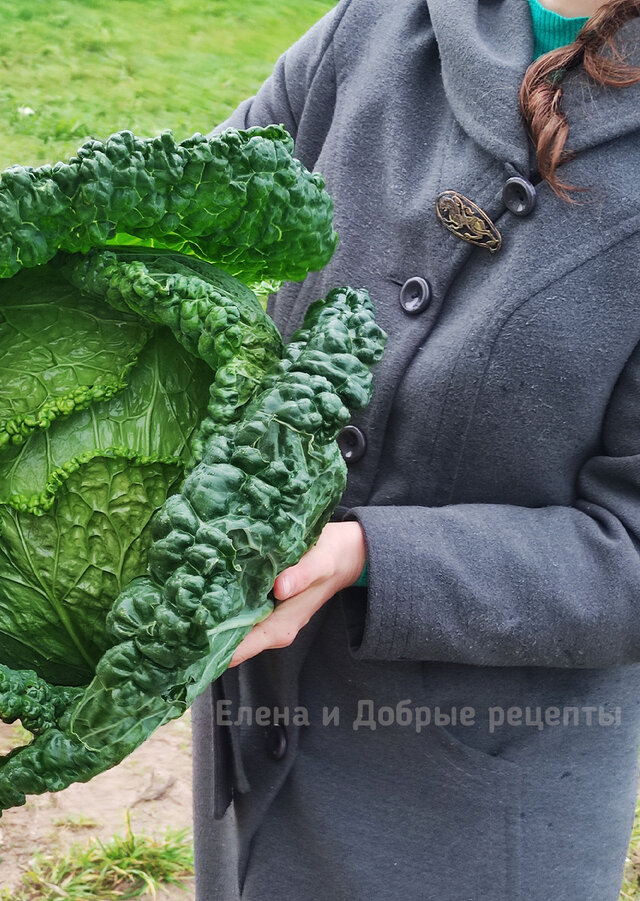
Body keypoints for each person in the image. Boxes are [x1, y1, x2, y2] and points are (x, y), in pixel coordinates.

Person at [191, 0, 640, 898]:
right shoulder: (375, 25)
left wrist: (369, 556)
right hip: (256, 723)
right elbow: (181, 208)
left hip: (467, 805)